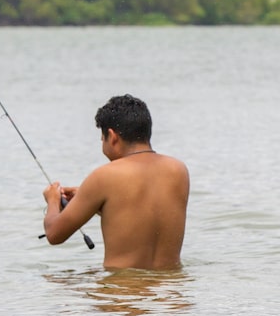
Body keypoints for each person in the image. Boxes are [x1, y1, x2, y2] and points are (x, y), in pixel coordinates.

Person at [42, 94, 189, 270]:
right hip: (171, 291)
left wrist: (52, 200)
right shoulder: (178, 170)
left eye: (102, 139)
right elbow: (143, 219)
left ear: (112, 136)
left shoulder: (104, 176)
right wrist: (95, 203)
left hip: (121, 292)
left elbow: (54, 234)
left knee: (55, 280)